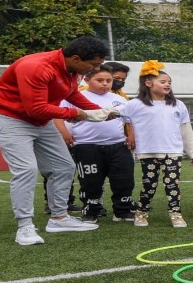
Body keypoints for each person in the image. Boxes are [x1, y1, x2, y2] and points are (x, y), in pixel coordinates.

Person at [0, 35, 114, 245]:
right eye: (93, 64)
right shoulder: (35, 67)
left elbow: (71, 94)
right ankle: (24, 227)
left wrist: (101, 111)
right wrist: (78, 114)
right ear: (76, 58)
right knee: (26, 169)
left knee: (63, 166)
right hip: (9, 116)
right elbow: (35, 109)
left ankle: (59, 218)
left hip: (40, 120)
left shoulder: (73, 70)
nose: (96, 69)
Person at [120, 61, 193, 228]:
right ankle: (141, 213)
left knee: (172, 184)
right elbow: (119, 118)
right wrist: (86, 114)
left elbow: (186, 129)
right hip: (148, 152)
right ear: (148, 83)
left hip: (173, 152)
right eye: (163, 82)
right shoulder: (135, 104)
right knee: (149, 184)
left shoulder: (178, 105)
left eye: (169, 82)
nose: (167, 84)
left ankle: (175, 213)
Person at [58, 66, 135, 223]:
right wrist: (64, 132)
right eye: (100, 80)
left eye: (108, 80)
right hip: (86, 146)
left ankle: (122, 211)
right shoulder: (75, 97)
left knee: (124, 179)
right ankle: (91, 211)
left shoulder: (120, 99)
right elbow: (56, 116)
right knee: (90, 181)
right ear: (87, 80)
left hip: (118, 146)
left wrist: (132, 136)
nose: (105, 84)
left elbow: (131, 119)